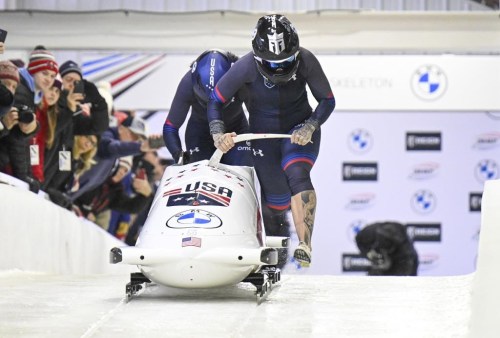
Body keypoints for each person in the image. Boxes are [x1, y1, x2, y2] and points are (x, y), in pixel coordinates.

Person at [207, 14, 336, 267]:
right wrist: (217, 132)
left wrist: (311, 126)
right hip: (262, 138)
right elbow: (215, 100)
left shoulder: (307, 60)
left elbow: (327, 100)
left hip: (298, 131)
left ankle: (305, 244)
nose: (279, 68)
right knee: (276, 202)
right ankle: (276, 252)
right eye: (272, 63)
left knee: (298, 173)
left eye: (286, 61)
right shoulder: (245, 66)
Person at [163, 49, 251, 165]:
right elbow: (170, 127)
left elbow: (257, 114)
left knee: (242, 166)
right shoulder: (187, 83)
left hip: (236, 131)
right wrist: (179, 155)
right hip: (200, 135)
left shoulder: (239, 80)